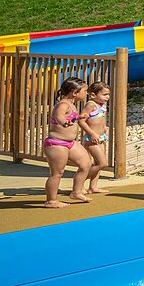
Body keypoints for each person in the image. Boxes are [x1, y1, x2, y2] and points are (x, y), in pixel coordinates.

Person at [43, 77, 92, 208]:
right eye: (85, 91)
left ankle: (76, 192)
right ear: (75, 92)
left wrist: (78, 117)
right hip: (56, 143)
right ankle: (51, 201)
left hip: (70, 143)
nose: (86, 93)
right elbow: (59, 115)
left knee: (86, 164)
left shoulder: (72, 104)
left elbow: (70, 117)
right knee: (57, 173)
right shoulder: (63, 104)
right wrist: (64, 122)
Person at [79, 81, 112, 196]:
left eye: (108, 94)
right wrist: (92, 133)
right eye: (104, 94)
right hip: (91, 139)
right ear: (93, 95)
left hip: (101, 137)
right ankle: (79, 183)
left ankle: (93, 187)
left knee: (98, 163)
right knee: (102, 163)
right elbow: (81, 121)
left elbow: (102, 119)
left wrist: (105, 128)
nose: (107, 97)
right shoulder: (91, 105)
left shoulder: (102, 105)